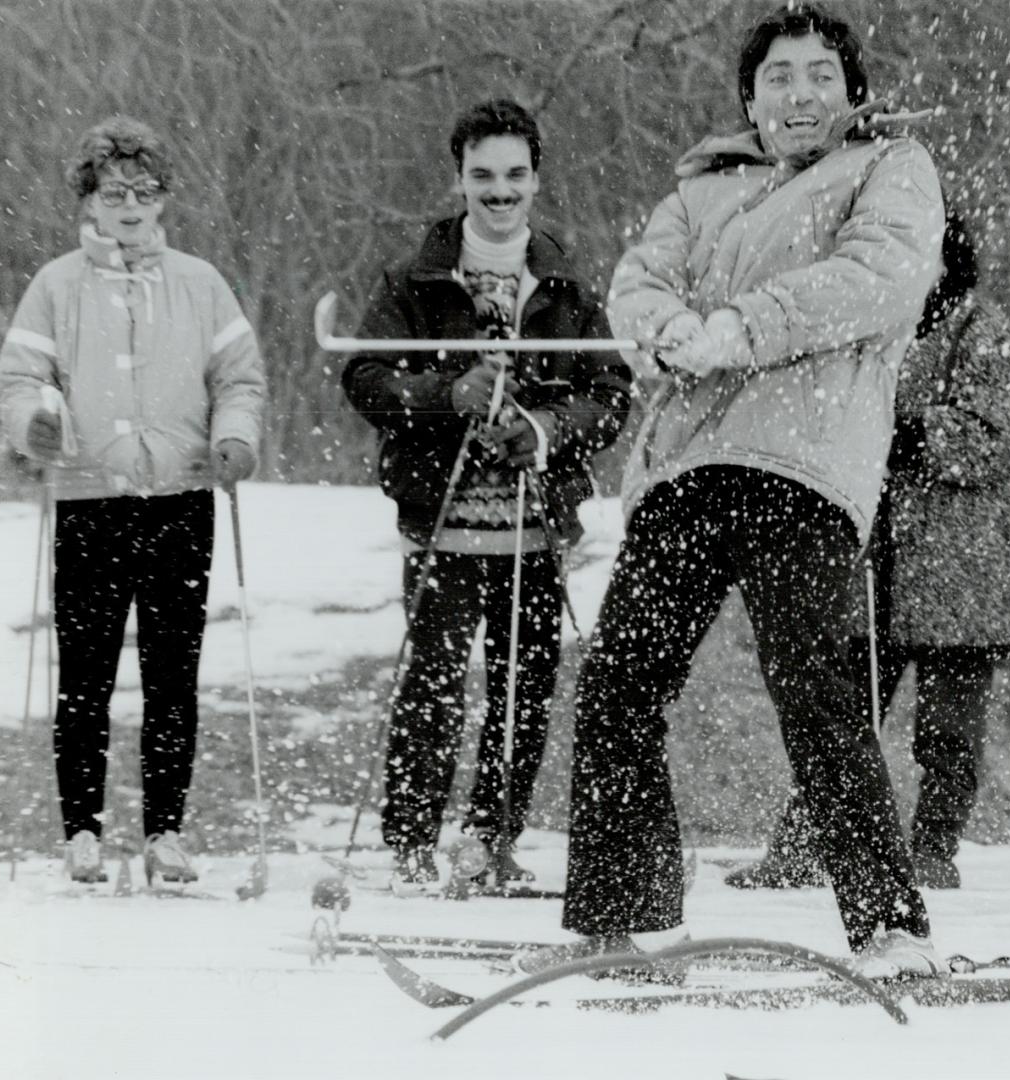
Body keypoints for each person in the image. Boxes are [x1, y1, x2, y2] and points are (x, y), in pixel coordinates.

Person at [547, 4, 944, 976]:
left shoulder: (891, 167)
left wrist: (739, 326)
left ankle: (887, 922)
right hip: (685, 470)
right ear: (749, 96)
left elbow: (880, 280)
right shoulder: (702, 188)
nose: (798, 93)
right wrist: (666, 329)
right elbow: (640, 281)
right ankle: (624, 915)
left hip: (805, 470)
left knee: (818, 694)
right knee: (617, 683)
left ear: (852, 91)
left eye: (818, 74)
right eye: (777, 76)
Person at [340, 99, 630, 895]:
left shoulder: (566, 281)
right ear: (459, 179)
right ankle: (408, 847)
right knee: (431, 687)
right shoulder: (414, 278)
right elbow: (364, 378)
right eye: (483, 176)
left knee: (523, 692)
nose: (499, 192)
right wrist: (447, 393)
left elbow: (611, 393)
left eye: (514, 175)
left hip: (534, 526)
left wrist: (542, 427)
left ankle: (489, 841)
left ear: (536, 180)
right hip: (441, 524)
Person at [724, 208, 1010, 892]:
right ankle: (809, 843)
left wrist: (903, 435)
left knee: (950, 731)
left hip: (962, 566)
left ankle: (932, 849)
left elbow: (995, 436)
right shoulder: (865, 329)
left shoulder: (982, 330)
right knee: (842, 709)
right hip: (875, 554)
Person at [0, 116, 266, 884]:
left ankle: (166, 832)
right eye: (115, 192)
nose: (130, 206)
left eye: (144, 192)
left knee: (173, 674)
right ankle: (81, 830)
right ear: (89, 197)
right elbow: (20, 380)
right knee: (84, 674)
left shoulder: (200, 282)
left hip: (180, 497)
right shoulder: (56, 285)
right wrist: (36, 425)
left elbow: (238, 380)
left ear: (163, 198)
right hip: (89, 499)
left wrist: (235, 438)